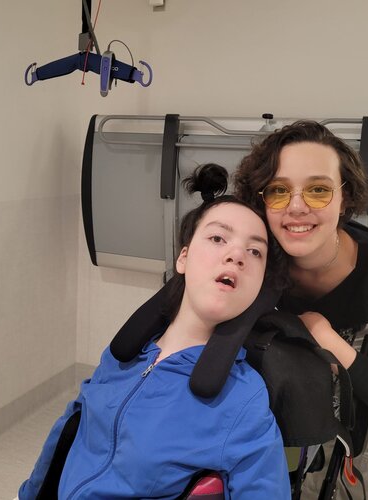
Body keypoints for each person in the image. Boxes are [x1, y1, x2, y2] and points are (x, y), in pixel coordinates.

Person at [18, 164, 291, 500]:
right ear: (183, 258)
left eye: (255, 251)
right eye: (218, 238)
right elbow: (70, 430)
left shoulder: (242, 398)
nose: (237, 255)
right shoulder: (123, 357)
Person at [234, 120, 368, 499]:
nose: (296, 207)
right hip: (315, 326)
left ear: (345, 199)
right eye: (279, 190)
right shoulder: (261, 248)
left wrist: (332, 342)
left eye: (318, 190)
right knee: (320, 446)